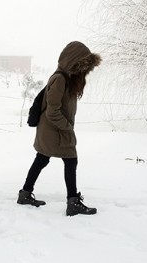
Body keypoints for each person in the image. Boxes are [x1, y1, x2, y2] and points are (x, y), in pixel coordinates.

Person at [17, 41, 101, 216]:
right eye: (81, 66)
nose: (83, 71)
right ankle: (72, 203)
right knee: (70, 161)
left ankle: (25, 193)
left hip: (53, 130)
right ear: (73, 62)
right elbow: (52, 111)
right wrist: (67, 127)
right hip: (54, 130)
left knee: (42, 159)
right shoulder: (60, 79)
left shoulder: (67, 78)